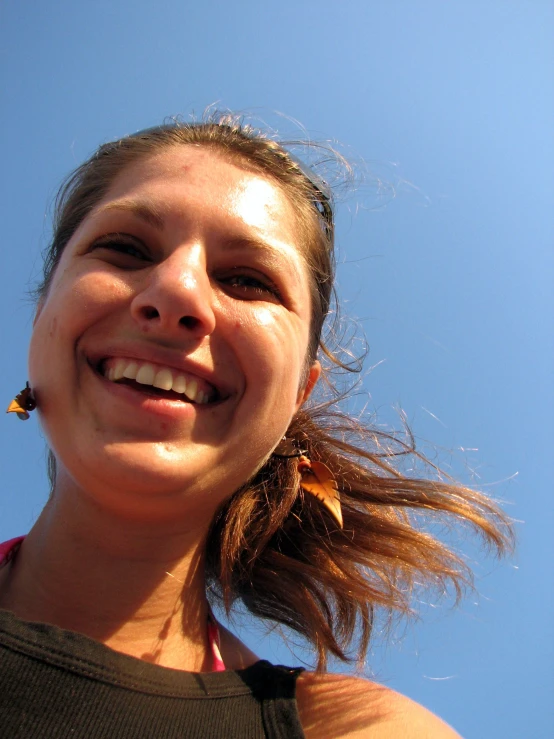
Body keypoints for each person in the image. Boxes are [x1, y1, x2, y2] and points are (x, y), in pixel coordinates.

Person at [0, 116, 511, 738]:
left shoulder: (349, 730)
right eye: (126, 249)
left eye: (247, 280)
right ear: (41, 315)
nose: (177, 292)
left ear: (299, 393)